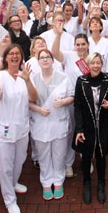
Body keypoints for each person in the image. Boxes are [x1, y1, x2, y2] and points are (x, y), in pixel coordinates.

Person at [0, 44, 38, 213]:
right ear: (5, 58)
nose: (15, 56)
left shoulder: (24, 76)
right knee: (5, 167)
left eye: (18, 53)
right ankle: (9, 199)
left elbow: (34, 97)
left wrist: (27, 80)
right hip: (2, 131)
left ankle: (13, 184)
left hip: (21, 129)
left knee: (19, 161)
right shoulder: (0, 75)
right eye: (11, 54)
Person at [30, 49, 74, 200]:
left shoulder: (63, 77)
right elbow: (27, 102)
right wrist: (38, 109)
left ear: (52, 60)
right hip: (40, 123)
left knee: (59, 153)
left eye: (48, 57)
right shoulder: (33, 79)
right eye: (42, 57)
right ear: (38, 61)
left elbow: (71, 96)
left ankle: (58, 180)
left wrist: (63, 102)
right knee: (43, 154)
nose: (45, 60)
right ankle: (46, 181)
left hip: (59, 122)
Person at [73, 52, 108, 204]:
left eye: (98, 62)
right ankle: (86, 183)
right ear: (88, 64)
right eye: (93, 63)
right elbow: (77, 106)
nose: (96, 65)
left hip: (103, 124)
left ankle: (101, 184)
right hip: (86, 125)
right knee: (86, 157)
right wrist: (79, 128)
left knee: (101, 156)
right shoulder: (81, 81)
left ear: (101, 64)